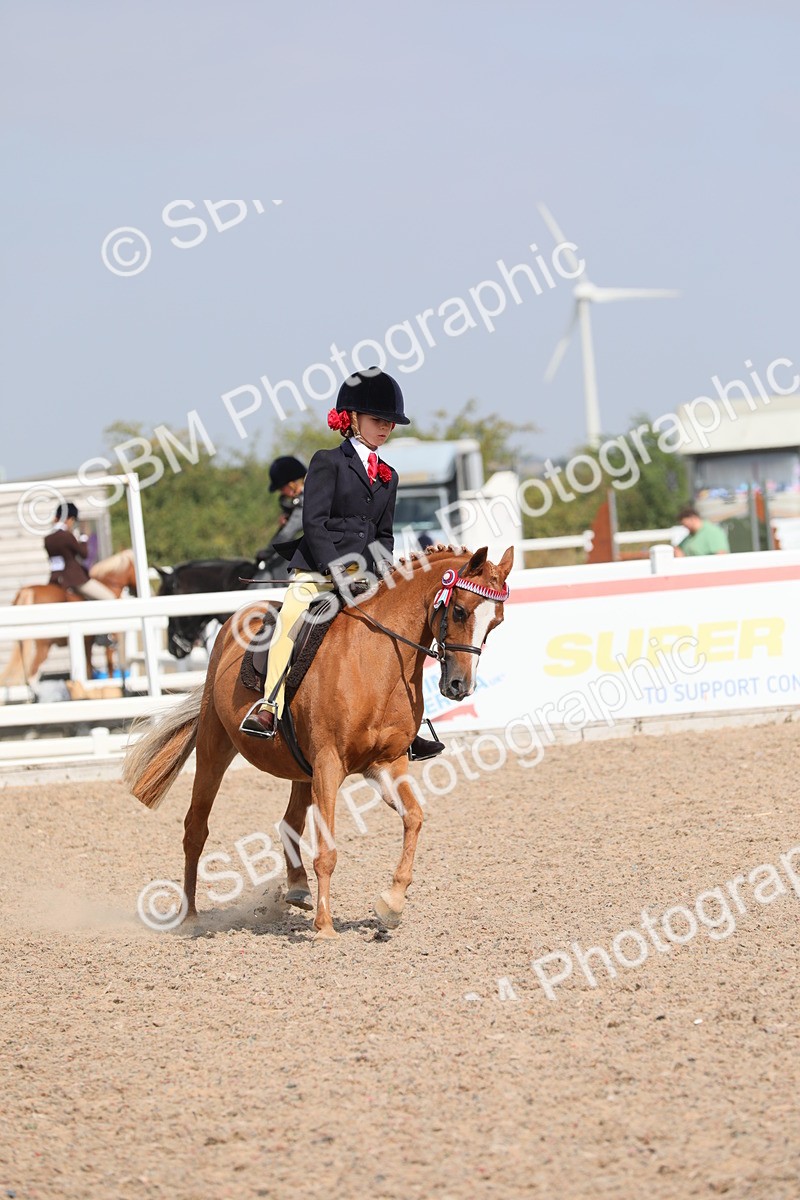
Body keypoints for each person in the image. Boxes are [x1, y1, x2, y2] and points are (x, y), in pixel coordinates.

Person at [240, 368, 445, 761]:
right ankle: (269, 706)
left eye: (389, 423)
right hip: (317, 574)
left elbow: (384, 534)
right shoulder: (327, 462)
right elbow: (315, 525)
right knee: (289, 624)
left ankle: (408, 725)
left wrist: (378, 574)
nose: (385, 428)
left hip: (366, 578)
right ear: (351, 418)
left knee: (400, 637)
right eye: (378, 420)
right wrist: (341, 574)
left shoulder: (389, 476)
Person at [249, 456, 307, 585]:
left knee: (278, 567)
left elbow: (287, 535)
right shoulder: (309, 494)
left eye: (282, 488)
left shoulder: (305, 500)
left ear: (291, 484)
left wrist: (267, 552)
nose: (282, 493)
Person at [44, 502, 116, 598]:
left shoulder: (48, 539)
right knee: (110, 598)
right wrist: (83, 537)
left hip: (56, 578)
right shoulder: (67, 536)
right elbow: (84, 554)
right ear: (70, 519)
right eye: (73, 520)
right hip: (75, 579)